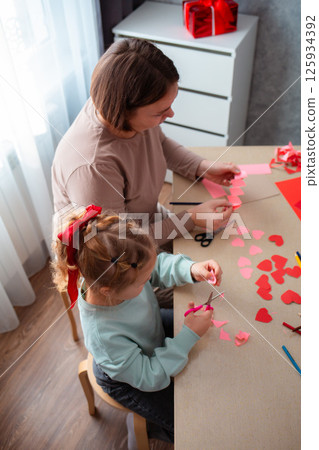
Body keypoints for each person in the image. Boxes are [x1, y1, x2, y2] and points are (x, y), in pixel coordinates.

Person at [51, 206, 222, 445]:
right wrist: (188, 335)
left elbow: (156, 267)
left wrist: (191, 269)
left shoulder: (117, 277)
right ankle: (147, 427)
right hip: (130, 378)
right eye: (143, 282)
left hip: (148, 331)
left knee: (209, 348)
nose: (148, 281)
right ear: (109, 291)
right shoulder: (103, 336)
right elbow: (149, 375)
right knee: (187, 424)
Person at [51, 38, 240, 248]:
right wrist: (191, 218)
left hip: (143, 222)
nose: (171, 114)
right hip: (113, 255)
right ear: (123, 109)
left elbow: (160, 143)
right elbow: (120, 243)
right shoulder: (92, 167)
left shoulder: (116, 107)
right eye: (160, 112)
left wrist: (202, 167)